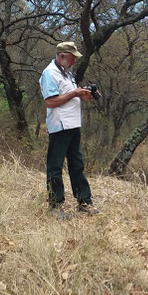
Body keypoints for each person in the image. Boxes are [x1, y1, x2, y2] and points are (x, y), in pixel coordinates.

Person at [39, 41, 100, 218]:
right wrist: (75, 93)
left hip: (73, 126)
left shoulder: (67, 73)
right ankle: (55, 206)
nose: (74, 61)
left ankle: (84, 202)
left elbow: (68, 97)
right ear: (62, 56)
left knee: (77, 165)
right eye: (72, 57)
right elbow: (50, 102)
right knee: (55, 167)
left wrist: (84, 95)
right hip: (60, 127)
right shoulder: (49, 74)